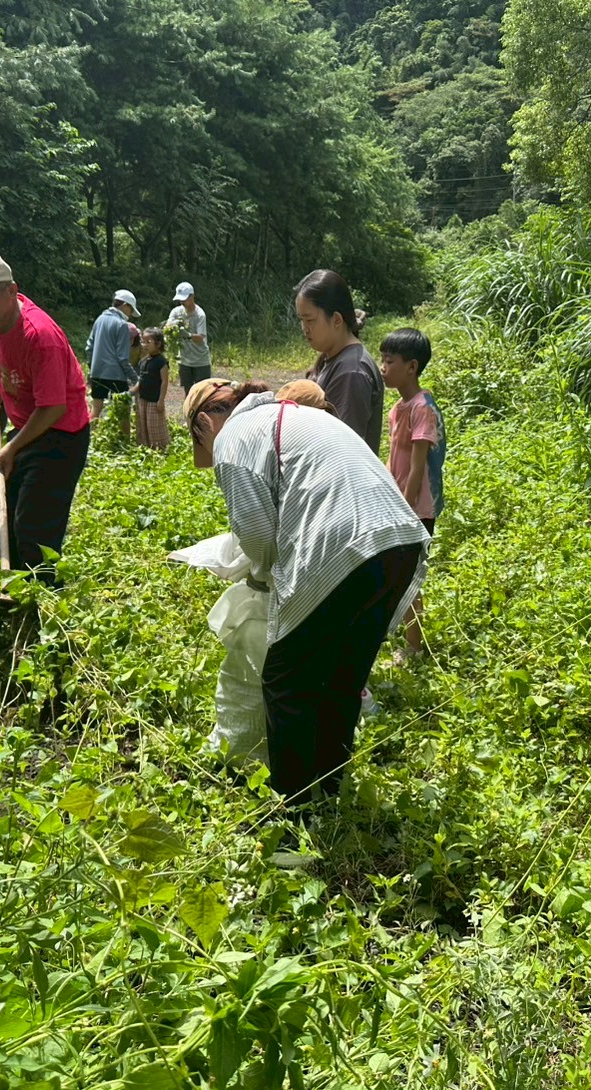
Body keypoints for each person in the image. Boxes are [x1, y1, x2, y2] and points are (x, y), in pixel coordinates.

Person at [184, 378, 428, 805]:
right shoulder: (293, 416)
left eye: (199, 441)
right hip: (401, 542)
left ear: (205, 422)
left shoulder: (233, 438)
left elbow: (257, 534)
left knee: (285, 681)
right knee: (342, 677)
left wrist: (260, 578)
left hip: (344, 548)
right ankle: (329, 790)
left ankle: (294, 811)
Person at [0, 248, 91, 581]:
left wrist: (10, 448)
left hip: (61, 433)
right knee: (0, 520)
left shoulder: (40, 337)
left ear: (11, 291)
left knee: (34, 528)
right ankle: (10, 587)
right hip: (29, 426)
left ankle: (41, 596)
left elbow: (54, 407)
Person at [379, 328, 446, 656]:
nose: (383, 368)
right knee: (395, 574)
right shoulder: (398, 408)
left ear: (412, 367)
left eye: (389, 361)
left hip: (415, 510)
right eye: (382, 360)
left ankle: (414, 647)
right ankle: (401, 635)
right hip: (399, 505)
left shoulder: (422, 408)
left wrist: (403, 511)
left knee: (408, 579)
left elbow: (417, 469)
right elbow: (395, 460)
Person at [296, 270, 384, 453]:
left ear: (336, 319)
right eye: (301, 320)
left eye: (310, 320)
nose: (304, 328)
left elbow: (343, 452)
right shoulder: (336, 357)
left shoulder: (352, 372)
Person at [86, 289, 141, 438]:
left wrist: (92, 368)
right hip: (115, 375)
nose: (130, 314)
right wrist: (135, 378)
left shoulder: (99, 319)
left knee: (96, 409)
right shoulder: (122, 324)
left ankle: (90, 440)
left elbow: (89, 348)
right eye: (130, 309)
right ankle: (125, 441)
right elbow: (122, 357)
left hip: (97, 372)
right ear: (124, 305)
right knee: (123, 409)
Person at [166, 281, 211, 396]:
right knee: (188, 391)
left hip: (200, 360)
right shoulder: (176, 312)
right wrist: (174, 325)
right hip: (184, 359)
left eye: (184, 299)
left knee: (202, 392)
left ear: (192, 297)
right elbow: (167, 327)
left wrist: (187, 335)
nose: (182, 302)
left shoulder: (200, 314)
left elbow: (200, 337)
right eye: (180, 300)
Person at [131, 327, 170, 451]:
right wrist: (131, 392)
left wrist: (161, 400)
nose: (145, 345)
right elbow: (141, 380)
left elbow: (164, 382)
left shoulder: (161, 362)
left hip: (154, 400)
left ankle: (159, 448)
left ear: (158, 344)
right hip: (143, 399)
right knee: (143, 424)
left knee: (154, 425)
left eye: (149, 342)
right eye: (143, 342)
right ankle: (145, 447)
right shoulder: (143, 361)